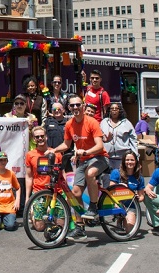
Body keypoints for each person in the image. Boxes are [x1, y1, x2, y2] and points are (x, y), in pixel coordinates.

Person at [45, 95, 108, 223]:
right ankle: (79, 226)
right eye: (72, 105)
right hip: (83, 160)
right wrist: (54, 150)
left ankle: (93, 206)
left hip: (99, 157)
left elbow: (100, 145)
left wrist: (85, 151)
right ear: (68, 108)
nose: (75, 107)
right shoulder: (69, 124)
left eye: (78, 105)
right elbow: (66, 145)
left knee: (90, 173)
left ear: (83, 106)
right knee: (75, 193)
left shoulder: (92, 122)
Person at [108, 150, 145, 233]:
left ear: (136, 161)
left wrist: (139, 198)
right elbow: (110, 191)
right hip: (118, 203)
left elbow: (142, 196)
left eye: (132, 160)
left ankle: (124, 220)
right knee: (119, 209)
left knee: (130, 230)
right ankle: (119, 219)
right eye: (127, 160)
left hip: (131, 206)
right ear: (124, 161)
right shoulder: (116, 173)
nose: (129, 162)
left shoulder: (139, 177)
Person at [100, 102, 137, 172]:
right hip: (107, 158)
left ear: (120, 110)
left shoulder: (126, 123)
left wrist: (135, 155)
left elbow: (133, 140)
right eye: (112, 109)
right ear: (109, 110)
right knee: (108, 180)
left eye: (116, 109)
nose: (114, 111)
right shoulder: (104, 122)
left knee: (122, 179)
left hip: (122, 158)